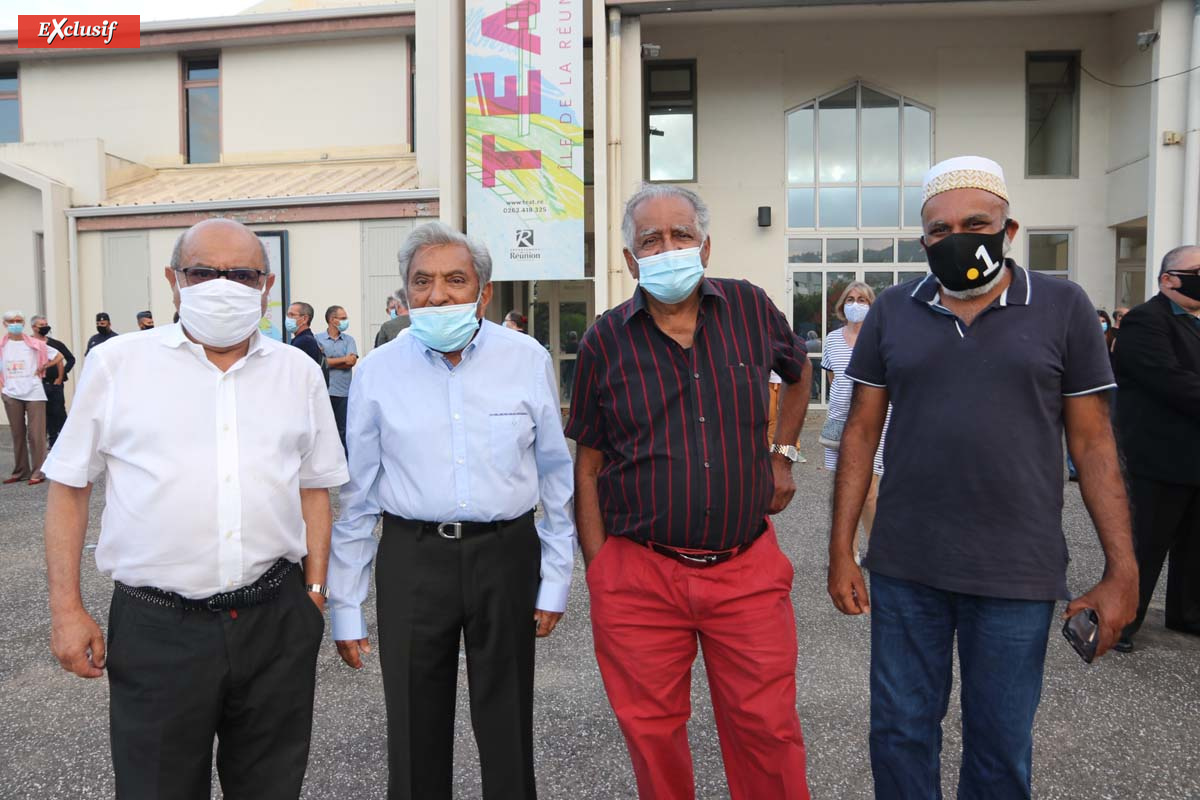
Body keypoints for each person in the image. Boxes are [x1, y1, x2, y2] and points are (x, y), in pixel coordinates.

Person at [828, 156, 1137, 799]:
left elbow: (1093, 440)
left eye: (976, 222)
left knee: (999, 748)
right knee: (900, 733)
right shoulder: (892, 309)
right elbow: (860, 429)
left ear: (1009, 228)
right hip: (907, 565)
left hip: (1015, 572)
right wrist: (841, 551)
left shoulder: (1061, 306)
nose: (957, 237)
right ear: (924, 241)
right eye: (940, 230)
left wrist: (1122, 571)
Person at [42, 218, 347, 799]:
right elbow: (69, 486)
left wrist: (313, 592)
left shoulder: (297, 373)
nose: (223, 285)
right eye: (203, 272)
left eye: (242, 274)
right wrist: (66, 610)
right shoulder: (117, 366)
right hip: (157, 627)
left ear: (267, 283)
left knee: (270, 788)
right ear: (173, 280)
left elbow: (315, 487)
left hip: (274, 619)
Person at [568, 184, 813, 800]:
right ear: (630, 260)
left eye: (680, 236)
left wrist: (783, 454)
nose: (667, 248)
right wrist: (602, 571)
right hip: (640, 574)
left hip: (744, 567)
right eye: (651, 240)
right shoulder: (604, 341)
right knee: (652, 737)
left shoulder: (751, 309)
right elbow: (589, 464)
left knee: (768, 729)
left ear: (704, 248)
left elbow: (799, 368)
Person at [328, 221, 574, 800]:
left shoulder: (526, 358)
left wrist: (556, 579)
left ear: (483, 292)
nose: (438, 295)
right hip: (413, 558)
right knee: (414, 730)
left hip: (506, 553)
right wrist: (346, 603)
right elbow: (359, 497)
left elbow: (555, 477)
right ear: (405, 292)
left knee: (508, 724)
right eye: (423, 282)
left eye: (455, 280)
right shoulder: (375, 372)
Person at [1112, 245, 1200, 652]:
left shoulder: (1195, 321)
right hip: (1159, 457)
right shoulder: (1146, 322)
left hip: (1194, 456)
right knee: (1145, 545)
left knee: (1194, 545)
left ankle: (1186, 613)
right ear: (1168, 280)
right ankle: (1123, 622)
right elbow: (1169, 380)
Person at [821, 282, 889, 560]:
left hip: (873, 424)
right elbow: (832, 378)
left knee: (869, 492)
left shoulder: (881, 338)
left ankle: (877, 550)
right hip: (840, 424)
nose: (855, 304)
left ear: (872, 305)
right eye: (850, 299)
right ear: (841, 306)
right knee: (845, 492)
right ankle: (848, 553)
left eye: (862, 299)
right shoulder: (832, 340)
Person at [3, 310, 59, 485]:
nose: (15, 323)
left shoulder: (34, 343)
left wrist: (43, 367)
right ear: (5, 324)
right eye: (11, 321)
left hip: (34, 393)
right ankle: (21, 471)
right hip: (11, 393)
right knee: (17, 433)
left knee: (36, 435)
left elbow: (58, 356)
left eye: (19, 320)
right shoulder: (2, 346)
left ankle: (38, 471)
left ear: (23, 323)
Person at [316, 305, 357, 452]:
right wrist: (342, 360)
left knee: (343, 431)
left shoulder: (349, 340)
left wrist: (329, 361)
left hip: (343, 393)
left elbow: (351, 362)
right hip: (324, 392)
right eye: (343, 318)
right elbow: (319, 363)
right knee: (324, 431)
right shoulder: (317, 339)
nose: (346, 321)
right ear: (333, 320)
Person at [31, 315, 75, 450]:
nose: (45, 327)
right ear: (34, 327)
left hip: (56, 384)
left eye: (46, 324)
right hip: (38, 384)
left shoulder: (55, 344)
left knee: (59, 412)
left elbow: (70, 359)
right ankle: (46, 443)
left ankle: (66, 440)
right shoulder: (29, 343)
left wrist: (61, 376)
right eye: (41, 325)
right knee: (43, 414)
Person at [286, 301, 325, 369]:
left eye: (292, 315)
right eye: (287, 315)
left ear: (305, 319)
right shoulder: (303, 338)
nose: (288, 318)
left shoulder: (305, 341)